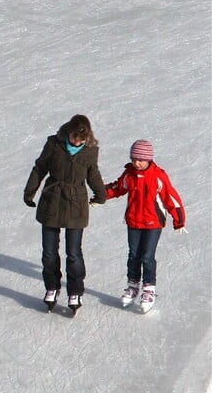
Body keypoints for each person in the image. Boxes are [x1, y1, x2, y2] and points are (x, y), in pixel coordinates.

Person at [23, 114, 107, 313]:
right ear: (68, 131)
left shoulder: (89, 151)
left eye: (81, 138)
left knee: (74, 253)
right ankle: (52, 287)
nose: (77, 141)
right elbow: (40, 168)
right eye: (75, 136)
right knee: (49, 252)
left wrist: (100, 194)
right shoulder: (54, 144)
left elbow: (93, 173)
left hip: (75, 205)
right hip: (52, 202)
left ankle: (75, 291)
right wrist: (29, 191)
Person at [98, 139, 186, 313]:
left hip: (153, 223)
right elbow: (118, 188)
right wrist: (100, 194)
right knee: (133, 255)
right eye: (133, 159)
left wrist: (179, 220)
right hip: (133, 221)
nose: (136, 163)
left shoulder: (158, 175)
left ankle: (148, 289)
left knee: (147, 256)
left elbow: (171, 197)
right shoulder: (129, 174)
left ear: (148, 159)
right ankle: (132, 286)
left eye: (140, 159)